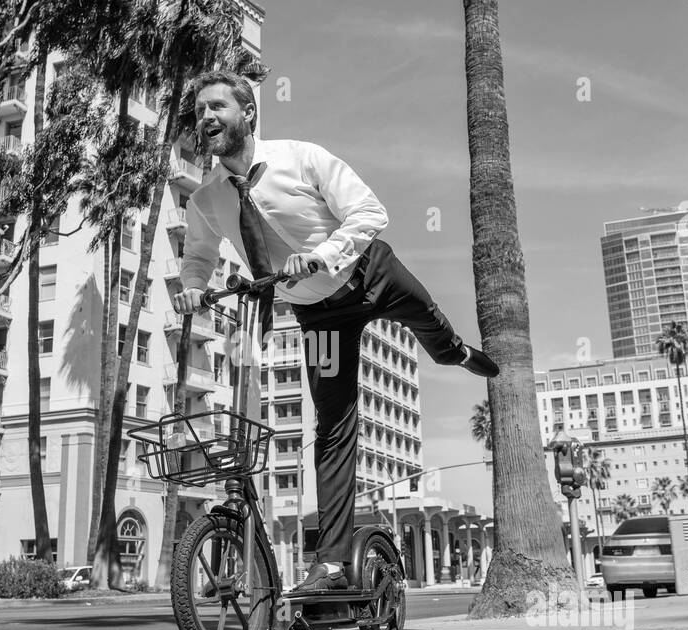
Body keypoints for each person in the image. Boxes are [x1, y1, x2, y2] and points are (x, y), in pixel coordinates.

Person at [174, 71, 498, 593]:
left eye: (218, 107)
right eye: (200, 110)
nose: (206, 118)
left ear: (248, 113)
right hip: (320, 317)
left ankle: (456, 352)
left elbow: (370, 211)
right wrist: (192, 287)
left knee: (428, 322)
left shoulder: (301, 158)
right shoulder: (206, 200)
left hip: (370, 275)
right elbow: (198, 257)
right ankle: (331, 563)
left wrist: (323, 254)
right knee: (332, 425)